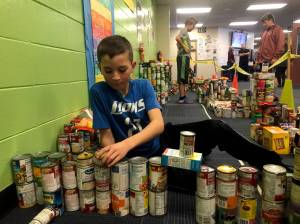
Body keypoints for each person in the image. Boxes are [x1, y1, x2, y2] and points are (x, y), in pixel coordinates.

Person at [90, 35, 288, 190]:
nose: (115, 77)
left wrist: (125, 144)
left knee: (215, 127)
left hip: (163, 141)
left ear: (132, 66)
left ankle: (274, 164)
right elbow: (106, 135)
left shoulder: (142, 86)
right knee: (201, 182)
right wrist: (115, 158)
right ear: (100, 68)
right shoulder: (98, 92)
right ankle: (198, 157)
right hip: (142, 161)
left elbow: (157, 125)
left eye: (122, 69)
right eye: (108, 71)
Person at [175, 17, 197, 104]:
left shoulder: (185, 32)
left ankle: (183, 96)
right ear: (190, 24)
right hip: (183, 57)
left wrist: (189, 55)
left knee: (184, 78)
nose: (193, 28)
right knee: (182, 78)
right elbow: (177, 38)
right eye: (193, 26)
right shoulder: (184, 30)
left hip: (184, 57)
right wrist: (185, 47)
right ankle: (181, 98)